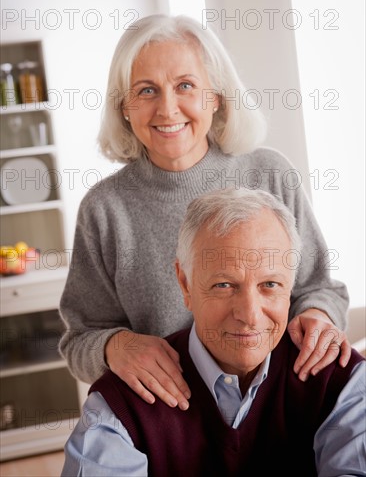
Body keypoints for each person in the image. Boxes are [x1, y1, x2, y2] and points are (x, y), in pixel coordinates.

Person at [59, 14, 351, 412]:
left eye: (185, 86)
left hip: (276, 411)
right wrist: (114, 346)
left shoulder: (270, 174)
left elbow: (319, 288)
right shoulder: (104, 209)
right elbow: (80, 339)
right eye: (146, 90)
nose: (167, 108)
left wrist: (317, 316)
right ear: (124, 106)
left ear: (215, 97)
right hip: (170, 423)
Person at [61, 188, 365, 477]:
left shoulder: (339, 380)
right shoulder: (122, 407)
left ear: (291, 285)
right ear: (185, 284)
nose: (249, 315)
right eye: (224, 285)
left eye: (270, 285)